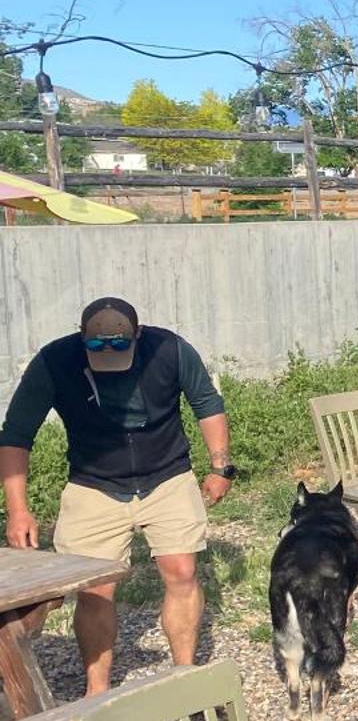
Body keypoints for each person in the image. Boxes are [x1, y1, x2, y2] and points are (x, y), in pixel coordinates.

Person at [0, 297, 234, 694]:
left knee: (182, 572)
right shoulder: (54, 361)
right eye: (95, 348)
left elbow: (207, 404)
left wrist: (220, 466)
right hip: (94, 484)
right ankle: (97, 691)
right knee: (94, 589)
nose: (106, 355)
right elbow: (17, 433)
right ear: (81, 337)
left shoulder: (170, 350)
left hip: (167, 476)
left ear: (138, 336)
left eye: (118, 347)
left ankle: (184, 678)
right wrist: (18, 509)